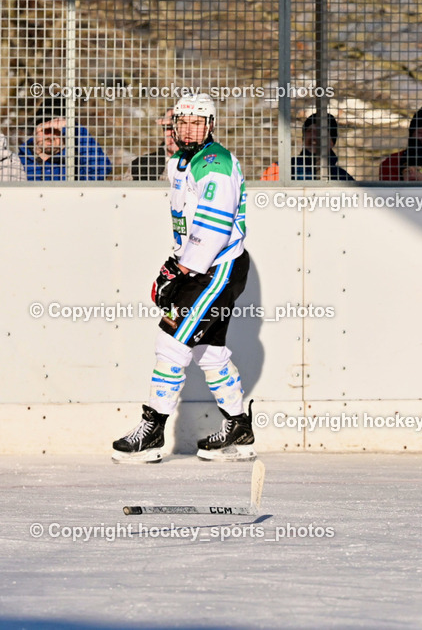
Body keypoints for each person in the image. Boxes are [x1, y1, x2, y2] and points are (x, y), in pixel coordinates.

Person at [112, 93, 255, 463]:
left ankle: (152, 431)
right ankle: (238, 428)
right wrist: (175, 262)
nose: (189, 130)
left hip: (216, 268)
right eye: (183, 122)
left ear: (211, 125)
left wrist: (181, 269)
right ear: (173, 125)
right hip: (200, 266)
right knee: (209, 351)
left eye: (197, 123)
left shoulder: (215, 163)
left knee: (171, 342)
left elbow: (213, 226)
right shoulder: (179, 161)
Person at [19, 97, 112, 180]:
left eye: (57, 130)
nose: (50, 136)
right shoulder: (18, 162)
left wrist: (73, 128)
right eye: (45, 129)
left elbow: (100, 170)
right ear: (35, 130)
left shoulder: (77, 164)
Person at [129, 108, 176, 181]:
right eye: (168, 128)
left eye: (177, 128)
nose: (172, 133)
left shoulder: (194, 163)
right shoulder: (140, 164)